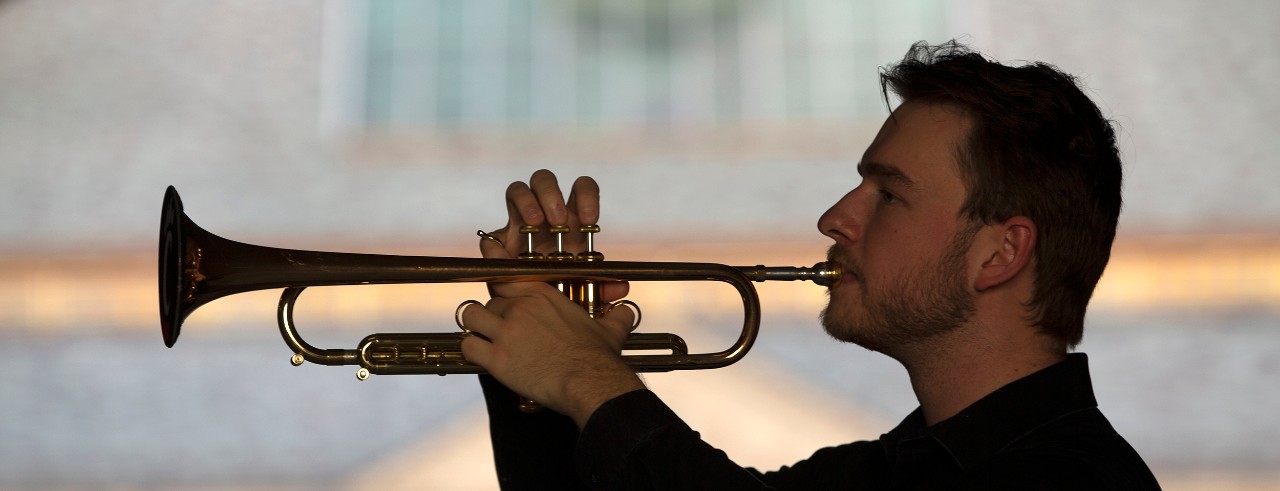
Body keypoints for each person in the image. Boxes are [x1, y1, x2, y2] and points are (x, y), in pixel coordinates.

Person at [457, 40, 1161, 490]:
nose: (833, 218)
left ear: (1000, 253)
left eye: (889, 195)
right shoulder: (872, 472)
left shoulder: (1078, 478)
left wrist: (586, 376)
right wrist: (534, 372)